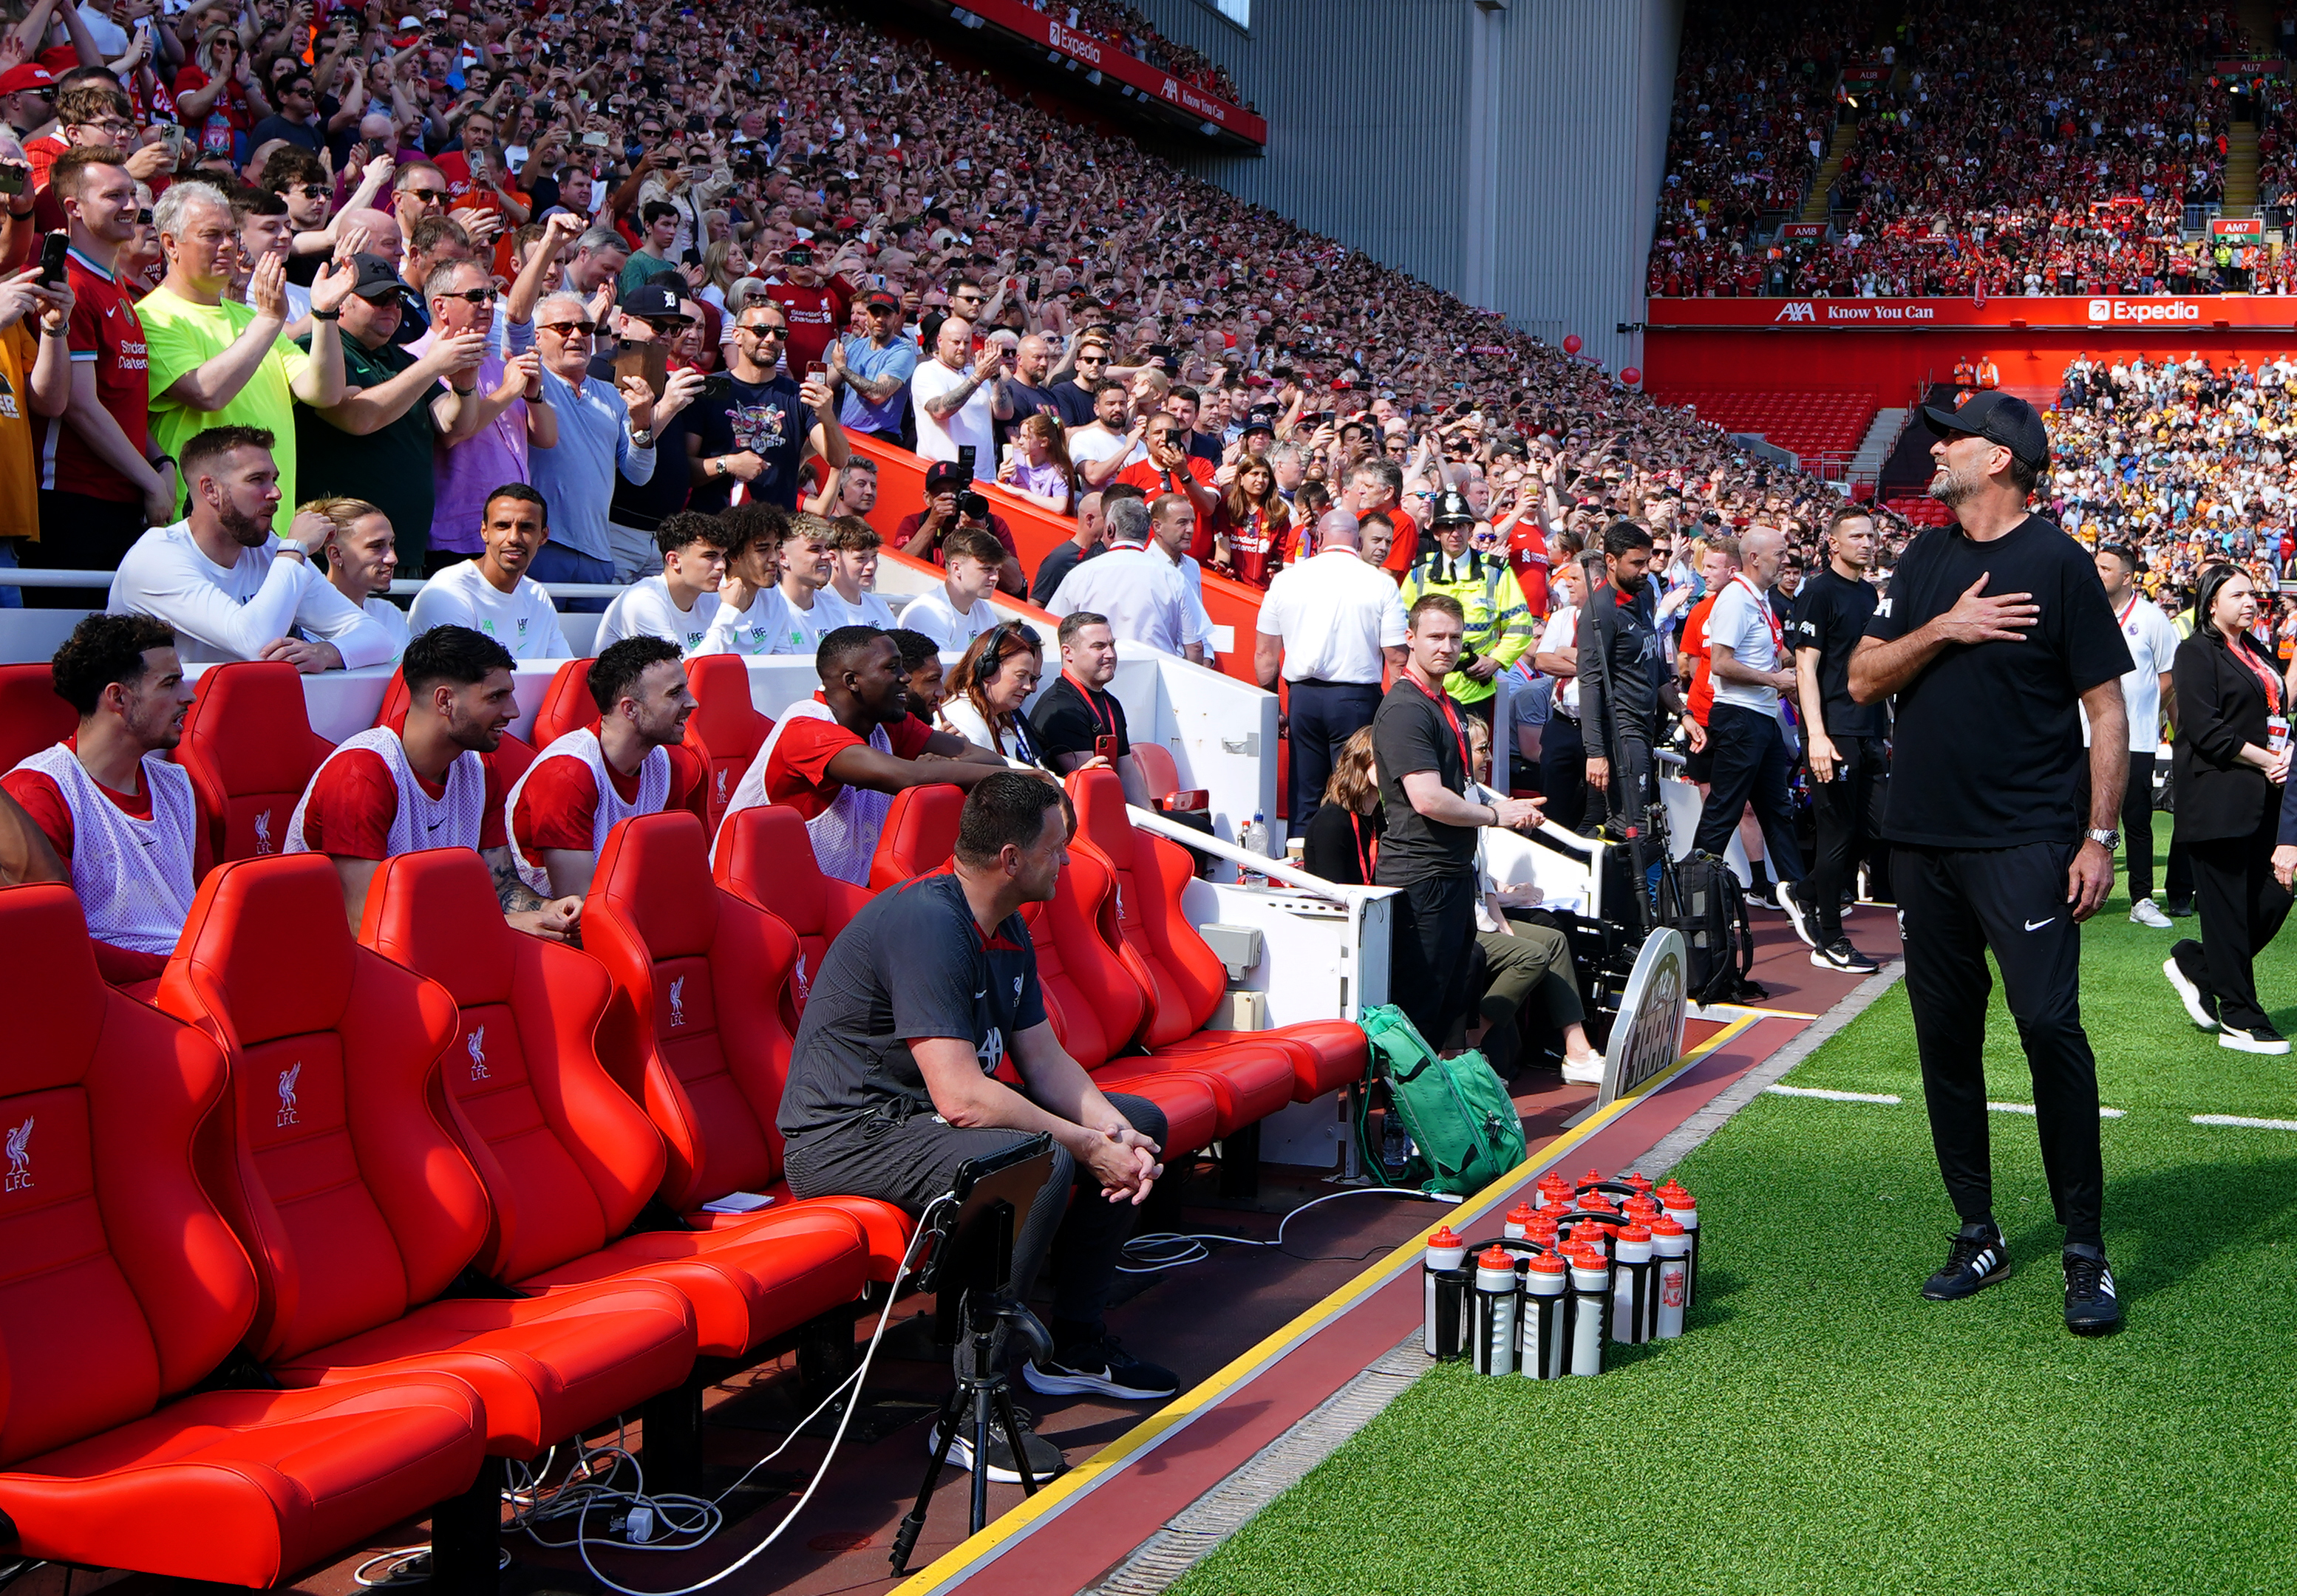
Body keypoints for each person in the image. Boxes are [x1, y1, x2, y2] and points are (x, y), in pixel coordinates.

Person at [778, 772, 1177, 1483]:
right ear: (1011, 859)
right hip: (850, 1136)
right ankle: (969, 1408)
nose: (1070, 862)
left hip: (920, 1122)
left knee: (1140, 1119)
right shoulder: (931, 923)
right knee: (1038, 1157)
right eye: (1058, 849)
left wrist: (1117, 1137)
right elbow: (963, 1098)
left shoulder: (1005, 921)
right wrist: (1081, 1145)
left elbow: (1045, 1060)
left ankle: (1075, 1347)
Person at [1849, 389, 2133, 1335]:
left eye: (1953, 436)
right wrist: (1943, 630)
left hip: (2026, 841)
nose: (1937, 448)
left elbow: (2106, 712)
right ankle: (1978, 1229)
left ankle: (2084, 1249)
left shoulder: (2058, 562)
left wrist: (2097, 838)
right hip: (1921, 841)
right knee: (1945, 1042)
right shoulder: (1925, 558)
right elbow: (1859, 676)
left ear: (2001, 459)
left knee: (2051, 1027)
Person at [285, 623, 581, 941]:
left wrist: (549, 910)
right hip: (333, 963)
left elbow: (501, 884)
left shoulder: (480, 767)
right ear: (444, 701)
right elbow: (368, 928)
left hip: (434, 945)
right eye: (496, 697)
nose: (513, 711)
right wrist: (501, 925)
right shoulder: (361, 774)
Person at [1374, 593, 1545, 1048]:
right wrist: (1496, 815)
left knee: (1449, 1003)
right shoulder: (1407, 708)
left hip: (1451, 875)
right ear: (1410, 639)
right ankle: (1402, 1114)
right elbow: (1428, 799)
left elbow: (1455, 787)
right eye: (1435, 636)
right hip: (1421, 877)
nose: (1447, 647)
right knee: (1420, 1006)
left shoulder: (1442, 700)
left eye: (1454, 637)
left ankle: (1437, 1106)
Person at [718, 624, 1005, 884]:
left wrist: (942, 765)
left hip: (830, 896)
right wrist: (1018, 777)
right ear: (852, 681)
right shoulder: (806, 728)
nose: (905, 678)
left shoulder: (885, 721)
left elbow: (990, 760)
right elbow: (906, 776)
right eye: (892, 668)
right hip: (756, 897)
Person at [2, 613, 201, 985]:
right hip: (109, 1000)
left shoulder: (180, 786)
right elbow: (51, 942)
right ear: (118, 697)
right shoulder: (38, 794)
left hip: (191, 982)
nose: (188, 696)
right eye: (170, 683)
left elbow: (207, 912)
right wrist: (186, 965)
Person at [139, 181, 355, 516]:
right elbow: (206, 393)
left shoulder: (249, 317)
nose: (228, 245)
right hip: (203, 527)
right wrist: (270, 320)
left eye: (232, 234)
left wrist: (324, 314)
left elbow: (323, 393)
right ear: (170, 243)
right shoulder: (153, 316)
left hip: (271, 525)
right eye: (212, 235)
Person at [108, 423, 398, 670]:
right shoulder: (157, 556)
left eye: (274, 479)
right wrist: (295, 548)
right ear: (210, 490)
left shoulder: (272, 551)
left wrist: (327, 652)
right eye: (257, 480)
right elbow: (254, 645)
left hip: (230, 718)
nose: (275, 493)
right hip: (153, 730)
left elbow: (377, 637)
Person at [35, 146, 177, 594]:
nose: (132, 205)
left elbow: (120, 398)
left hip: (121, 497)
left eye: (132, 194)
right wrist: (150, 480)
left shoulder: (113, 282)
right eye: (115, 196)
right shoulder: (69, 283)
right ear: (74, 209)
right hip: (75, 502)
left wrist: (160, 461)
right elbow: (78, 406)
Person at [2163, 564, 2292, 1055]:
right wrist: (2267, 759)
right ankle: (2240, 1018)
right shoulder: (2195, 652)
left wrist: (2285, 753)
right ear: (2210, 603)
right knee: (2225, 911)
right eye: (2237, 594)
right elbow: (2203, 726)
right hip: (2217, 799)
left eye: (2253, 594)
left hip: (2264, 798)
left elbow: (2278, 713)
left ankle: (2196, 964)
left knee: (2275, 897)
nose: (2250, 601)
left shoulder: (2257, 651)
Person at [293, 253, 497, 555]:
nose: (391, 306)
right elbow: (357, 418)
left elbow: (454, 426)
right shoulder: (319, 349)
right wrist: (432, 366)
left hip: (405, 545)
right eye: (378, 298)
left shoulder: (403, 360)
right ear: (341, 302)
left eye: (396, 297)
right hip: (341, 551)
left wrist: (464, 385)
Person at [507, 636, 696, 901]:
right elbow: (578, 906)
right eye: (675, 693)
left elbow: (673, 871)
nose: (692, 702)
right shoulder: (567, 773)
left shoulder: (666, 767)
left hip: (624, 912)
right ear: (630, 709)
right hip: (554, 933)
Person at [1255, 509, 1407, 830]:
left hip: (1303, 699)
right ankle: (1351, 872)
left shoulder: (1285, 580)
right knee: (1355, 795)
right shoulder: (1381, 584)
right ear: (1358, 540)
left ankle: (1298, 869)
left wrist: (1274, 706)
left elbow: (1265, 656)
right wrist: (1398, 714)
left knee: (1305, 796)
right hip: (1356, 700)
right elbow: (1396, 658)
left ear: (1319, 538)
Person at [1691, 525, 1807, 925]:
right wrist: (1775, 680)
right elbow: (1720, 665)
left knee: (1777, 808)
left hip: (1760, 717)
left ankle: (1799, 896)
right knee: (1725, 809)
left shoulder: (1757, 600)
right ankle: (1694, 898)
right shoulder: (1736, 600)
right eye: (1780, 552)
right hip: (1740, 718)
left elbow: (1773, 654)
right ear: (1755, 558)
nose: (1785, 560)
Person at [1789, 508, 1885, 973]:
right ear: (1834, 543)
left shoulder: (1869, 593)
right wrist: (1817, 736)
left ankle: (1805, 891)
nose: (1867, 542)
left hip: (1869, 730)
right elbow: (1804, 669)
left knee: (1877, 827)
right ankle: (1829, 939)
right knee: (1836, 834)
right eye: (1857, 536)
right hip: (1833, 731)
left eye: (1871, 535)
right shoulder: (1818, 593)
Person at [687, 297, 851, 514]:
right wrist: (728, 464)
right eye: (760, 331)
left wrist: (827, 416)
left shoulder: (797, 395)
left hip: (775, 535)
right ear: (737, 335)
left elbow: (839, 459)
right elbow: (684, 468)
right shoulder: (710, 389)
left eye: (780, 333)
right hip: (716, 529)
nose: (770, 339)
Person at [1579, 522, 1691, 839]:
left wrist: (1682, 713)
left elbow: (1652, 661)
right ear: (1611, 562)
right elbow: (1589, 682)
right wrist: (1596, 753)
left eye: (1648, 560)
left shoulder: (1644, 596)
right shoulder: (1599, 612)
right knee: (1633, 825)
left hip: (1646, 723)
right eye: (1637, 563)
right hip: (1621, 729)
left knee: (1622, 822)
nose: (1646, 570)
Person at [2092, 543, 2181, 930]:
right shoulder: (2085, 614)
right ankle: (2074, 893)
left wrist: (2140, 712)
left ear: (2127, 577)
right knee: (2078, 816)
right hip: (2085, 737)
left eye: (2105, 569)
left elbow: (2168, 675)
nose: (2097, 573)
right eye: (2095, 566)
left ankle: (2141, 899)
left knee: (2138, 821)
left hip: (2138, 739)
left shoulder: (2152, 618)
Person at [1398, 489, 1532, 724]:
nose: (1455, 533)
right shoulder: (1419, 572)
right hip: (1427, 687)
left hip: (1476, 691)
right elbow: (1402, 626)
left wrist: (1496, 661)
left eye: (1461, 526)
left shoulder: (1496, 571)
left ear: (1470, 530)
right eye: (1448, 527)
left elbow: (1520, 626)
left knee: (1473, 758)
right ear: (1437, 532)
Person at [406, 482, 571, 658]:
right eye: (502, 526)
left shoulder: (538, 597)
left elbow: (564, 670)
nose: (513, 538)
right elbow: (463, 681)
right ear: (484, 531)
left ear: (544, 536)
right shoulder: (448, 592)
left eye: (526, 527)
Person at [1045, 496, 1197, 662]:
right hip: (1155, 677)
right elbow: (1194, 645)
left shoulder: (1081, 574)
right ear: (1147, 532)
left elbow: (1053, 627)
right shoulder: (1173, 577)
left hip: (1094, 674)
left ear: (1110, 529)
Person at [1034, 611, 1150, 808]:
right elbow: (1090, 787)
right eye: (1099, 647)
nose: (1111, 654)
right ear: (1067, 652)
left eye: (1112, 645)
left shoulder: (1110, 703)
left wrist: (1155, 825)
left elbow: (1128, 773)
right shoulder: (1060, 708)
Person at [596, 509, 728, 653]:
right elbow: (685, 672)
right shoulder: (643, 600)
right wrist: (730, 613)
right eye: (710, 556)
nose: (722, 565)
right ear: (674, 560)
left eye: (723, 556)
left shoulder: (712, 599)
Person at [307, 496, 410, 661]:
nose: (393, 558)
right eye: (376, 546)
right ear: (336, 555)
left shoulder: (389, 614)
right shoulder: (303, 623)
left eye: (391, 544)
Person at [939, 621, 1048, 766]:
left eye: (1031, 678)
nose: (1029, 686)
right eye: (1021, 675)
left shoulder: (1000, 718)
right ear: (988, 671)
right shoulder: (960, 716)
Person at [911, 313, 999, 477]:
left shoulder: (975, 371)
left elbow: (1004, 412)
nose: (962, 348)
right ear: (940, 341)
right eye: (956, 342)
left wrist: (994, 376)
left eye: (967, 343)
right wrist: (977, 378)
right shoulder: (927, 370)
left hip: (985, 476)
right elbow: (940, 411)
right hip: (944, 476)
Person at [899, 525, 1004, 655]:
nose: (995, 577)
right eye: (986, 569)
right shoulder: (929, 612)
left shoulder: (984, 611)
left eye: (997, 570)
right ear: (956, 568)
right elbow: (940, 673)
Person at [831, 288, 917, 443]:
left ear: (897, 318)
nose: (879, 319)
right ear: (868, 316)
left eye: (886, 314)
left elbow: (878, 395)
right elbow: (827, 382)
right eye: (875, 313)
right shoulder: (855, 346)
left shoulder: (903, 351)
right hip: (848, 434)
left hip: (880, 438)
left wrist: (842, 369)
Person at [816, 517, 899, 632]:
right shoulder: (819, 608)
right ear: (834, 558)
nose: (871, 565)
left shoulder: (880, 607)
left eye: (874, 556)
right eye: (861, 558)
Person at [1029, 491, 1105, 607]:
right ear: (1090, 519)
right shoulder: (1059, 560)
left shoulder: (1105, 555)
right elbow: (1034, 607)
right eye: (1105, 519)